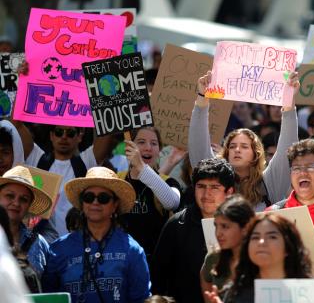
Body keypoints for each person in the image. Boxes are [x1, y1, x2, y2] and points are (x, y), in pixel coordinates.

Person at [189, 71, 300, 210]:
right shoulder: (213, 177)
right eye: (232, 146)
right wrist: (202, 98)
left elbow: (287, 148)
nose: (237, 150)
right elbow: (198, 145)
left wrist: (289, 105)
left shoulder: (270, 182)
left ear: (256, 154)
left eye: (244, 146)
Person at [42, 167, 150, 303]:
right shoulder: (58, 250)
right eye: (89, 197)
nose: (95, 202)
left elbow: (142, 299)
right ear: (82, 203)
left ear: (115, 205)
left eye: (103, 198)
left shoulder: (132, 250)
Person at [151, 157, 235, 303]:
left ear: (229, 192)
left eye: (214, 187)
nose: (206, 194)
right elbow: (157, 277)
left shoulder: (241, 227)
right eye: (201, 186)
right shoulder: (176, 225)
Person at [14, 121, 116, 237]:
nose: (64, 137)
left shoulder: (86, 161)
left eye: (70, 133)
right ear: (51, 135)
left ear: (79, 136)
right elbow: (16, 123)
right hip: (41, 243)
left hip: (78, 242)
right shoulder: (36, 158)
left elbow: (108, 128)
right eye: (58, 132)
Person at [205, 213, 312, 303]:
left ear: (288, 247)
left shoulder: (310, 293)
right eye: (255, 237)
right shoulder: (236, 293)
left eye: (272, 237)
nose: (261, 243)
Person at [121, 127, 181, 267]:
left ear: (159, 150)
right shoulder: (117, 180)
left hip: (154, 265)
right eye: (141, 142)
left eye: (154, 143)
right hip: (121, 263)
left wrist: (140, 166)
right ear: (130, 146)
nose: (148, 147)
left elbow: (172, 202)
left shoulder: (168, 182)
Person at [0, 166, 52, 284]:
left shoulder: (39, 243)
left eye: (23, 199)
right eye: (10, 196)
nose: (16, 203)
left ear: (29, 206)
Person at [200, 195, 255, 300]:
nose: (218, 233)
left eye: (225, 226)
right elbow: (205, 277)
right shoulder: (214, 257)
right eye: (216, 226)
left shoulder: (261, 259)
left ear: (245, 227)